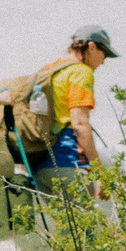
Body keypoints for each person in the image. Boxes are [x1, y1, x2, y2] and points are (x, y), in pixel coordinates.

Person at [34, 25, 116, 186]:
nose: (104, 61)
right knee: (84, 211)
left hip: (38, 163)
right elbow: (79, 124)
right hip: (66, 160)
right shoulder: (81, 71)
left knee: (57, 212)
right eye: (104, 53)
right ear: (92, 47)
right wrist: (100, 174)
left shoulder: (49, 69)